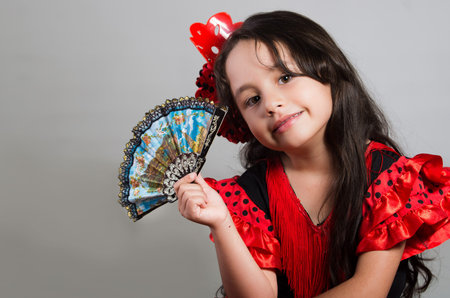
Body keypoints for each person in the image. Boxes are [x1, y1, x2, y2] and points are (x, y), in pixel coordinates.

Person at [174, 11, 450, 298]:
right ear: (242, 121)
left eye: (285, 77)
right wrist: (222, 223)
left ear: (326, 69)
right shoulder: (250, 192)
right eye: (252, 99)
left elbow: (368, 290)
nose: (271, 104)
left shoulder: (387, 177)